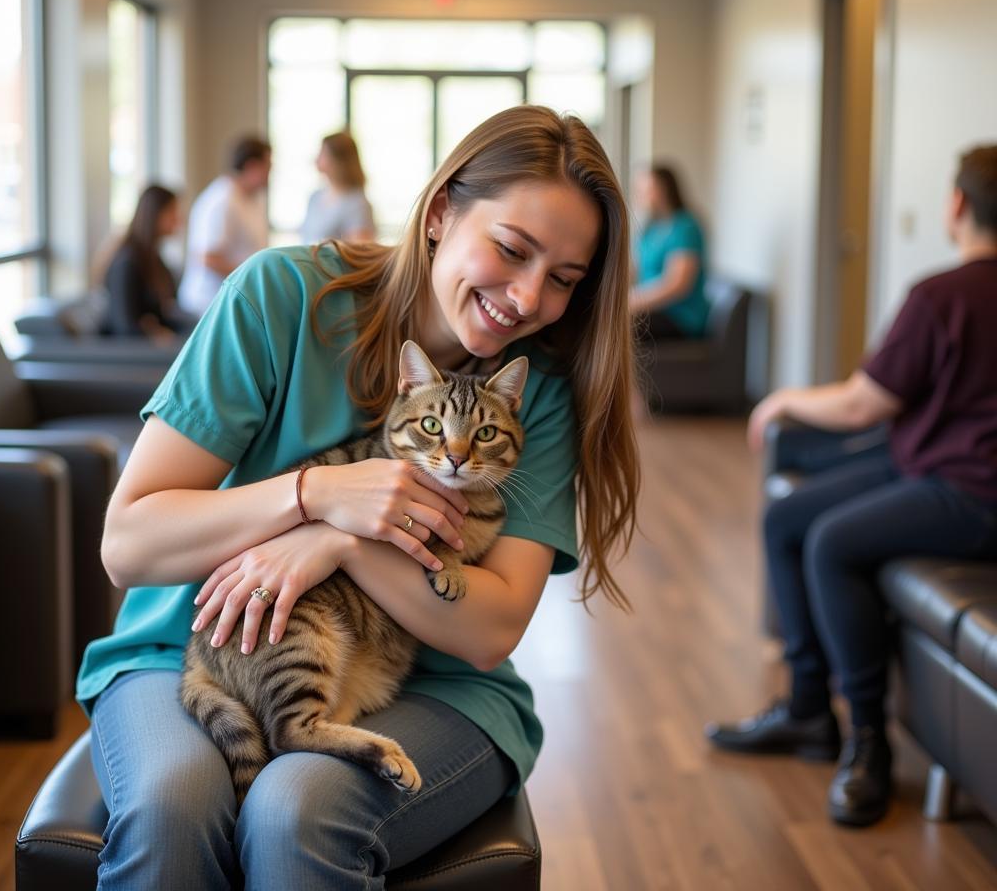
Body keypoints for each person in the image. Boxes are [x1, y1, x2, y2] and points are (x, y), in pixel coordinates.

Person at [78, 105, 640, 889]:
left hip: (439, 681)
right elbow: (128, 544)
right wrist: (317, 494)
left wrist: (343, 543)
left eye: (565, 280)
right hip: (189, 646)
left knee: (294, 808)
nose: (525, 296)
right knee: (174, 804)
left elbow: (491, 627)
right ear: (441, 210)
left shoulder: (536, 390)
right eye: (511, 249)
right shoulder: (280, 297)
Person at [706, 144, 997, 827]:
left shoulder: (940, 296)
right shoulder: (945, 297)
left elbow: (864, 405)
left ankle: (867, 741)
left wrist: (781, 400)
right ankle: (808, 710)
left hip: (974, 493)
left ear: (957, 206)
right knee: (787, 518)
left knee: (831, 542)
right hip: (931, 465)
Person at [178, 136, 272, 316]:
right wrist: (252, 277)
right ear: (252, 166)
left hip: (237, 298)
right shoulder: (221, 200)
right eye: (267, 167)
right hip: (208, 304)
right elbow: (208, 257)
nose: (270, 174)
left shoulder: (254, 199)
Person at [100, 184, 193, 341]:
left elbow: (161, 314)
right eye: (173, 212)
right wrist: (155, 334)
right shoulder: (127, 262)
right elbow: (125, 326)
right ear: (155, 215)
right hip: (134, 357)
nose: (179, 219)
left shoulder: (154, 259)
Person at [628, 163, 710, 339]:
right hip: (653, 311)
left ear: (665, 189)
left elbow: (677, 285)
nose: (640, 195)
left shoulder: (685, 226)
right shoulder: (650, 228)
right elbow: (634, 271)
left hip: (679, 318)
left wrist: (632, 301)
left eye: (647, 189)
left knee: (616, 327)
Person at [301, 131, 376, 244]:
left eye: (323, 153)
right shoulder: (315, 197)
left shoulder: (357, 204)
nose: (316, 159)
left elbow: (360, 250)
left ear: (338, 160)